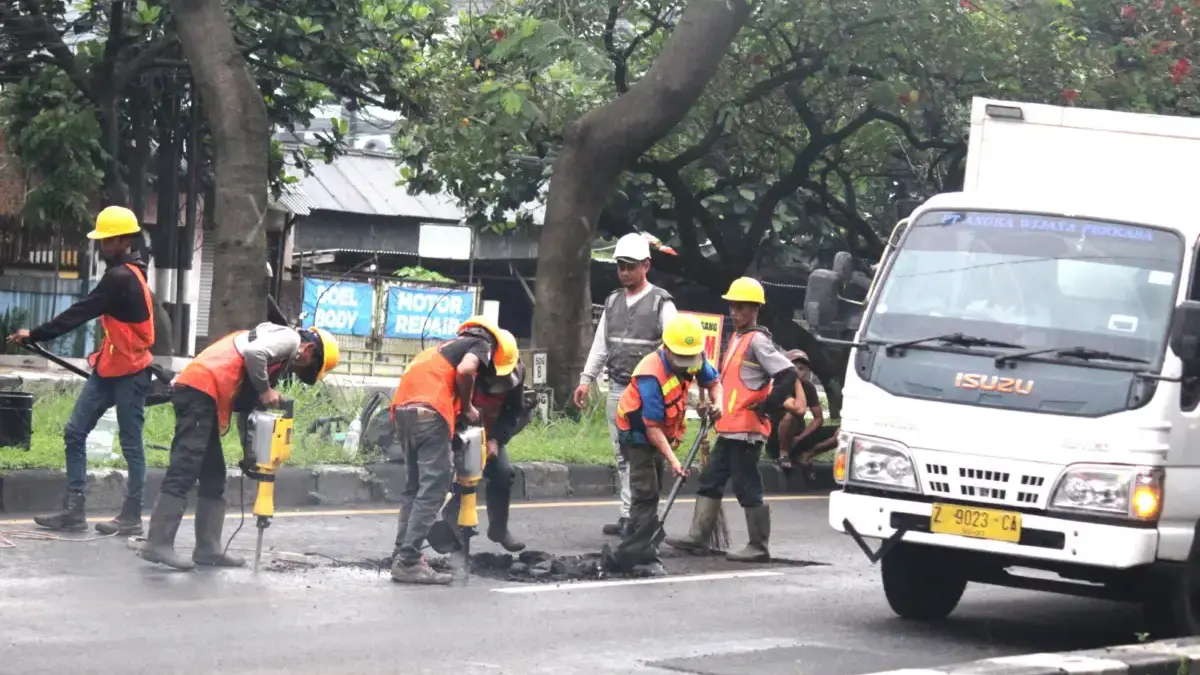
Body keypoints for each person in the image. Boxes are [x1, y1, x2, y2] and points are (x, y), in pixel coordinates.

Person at [139, 323, 340, 570]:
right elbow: (254, 354)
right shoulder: (288, 338)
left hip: (205, 396)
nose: (299, 371)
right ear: (309, 348)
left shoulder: (270, 360)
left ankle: (208, 549)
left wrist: (250, 453)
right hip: (198, 391)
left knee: (214, 475)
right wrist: (266, 390)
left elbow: (247, 409)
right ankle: (157, 543)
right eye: (307, 367)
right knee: (186, 466)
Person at [6, 206, 156, 536]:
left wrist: (36, 333)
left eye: (107, 242)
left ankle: (131, 516)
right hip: (109, 369)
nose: (102, 247)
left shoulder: (121, 277)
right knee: (75, 432)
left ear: (123, 240)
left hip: (131, 372)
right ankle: (74, 510)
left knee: (132, 445)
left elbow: (80, 311)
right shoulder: (128, 273)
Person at [666, 277, 800, 562]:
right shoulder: (738, 337)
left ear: (755, 309)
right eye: (733, 307)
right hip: (730, 428)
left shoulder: (758, 341)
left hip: (747, 431)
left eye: (741, 307)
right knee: (711, 480)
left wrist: (769, 405)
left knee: (747, 486)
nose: (735, 312)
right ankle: (699, 537)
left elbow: (788, 373)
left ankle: (758, 546)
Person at [388, 316, 515, 585]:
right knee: (432, 490)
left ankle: (401, 552)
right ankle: (409, 561)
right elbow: (466, 371)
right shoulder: (481, 343)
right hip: (431, 413)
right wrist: (468, 406)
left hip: (403, 412)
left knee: (413, 488)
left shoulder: (439, 349)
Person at [573, 233, 677, 538]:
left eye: (630, 266)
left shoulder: (661, 303)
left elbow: (675, 349)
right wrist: (586, 379)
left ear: (646, 265)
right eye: (621, 266)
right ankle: (627, 515)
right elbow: (600, 346)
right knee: (622, 455)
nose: (624, 271)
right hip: (618, 389)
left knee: (646, 456)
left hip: (649, 393)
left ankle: (646, 519)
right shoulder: (612, 301)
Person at [612, 314, 722, 576]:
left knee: (654, 488)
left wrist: (717, 404)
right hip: (637, 435)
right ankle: (639, 548)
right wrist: (675, 462)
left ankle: (644, 542)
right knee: (645, 491)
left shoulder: (693, 357)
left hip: (661, 433)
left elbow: (714, 382)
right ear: (667, 349)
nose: (687, 366)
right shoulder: (651, 374)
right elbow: (651, 427)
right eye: (680, 359)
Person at [435, 332, 528, 553]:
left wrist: (496, 440)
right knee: (457, 478)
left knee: (503, 473)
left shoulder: (517, 371)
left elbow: (515, 412)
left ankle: (499, 529)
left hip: (490, 433)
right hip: (457, 429)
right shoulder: (465, 366)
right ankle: (454, 534)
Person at [774, 350, 839, 473]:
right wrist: (796, 381)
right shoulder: (779, 385)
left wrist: (800, 437)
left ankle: (807, 454)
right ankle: (784, 454)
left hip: (799, 436)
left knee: (842, 432)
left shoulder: (809, 387)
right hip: (778, 439)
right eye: (794, 368)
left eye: (802, 368)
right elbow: (797, 409)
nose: (799, 372)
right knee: (791, 415)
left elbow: (818, 418)